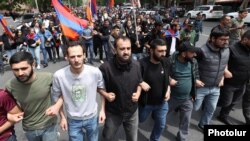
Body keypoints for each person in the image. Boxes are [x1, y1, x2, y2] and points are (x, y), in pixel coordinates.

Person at [50, 41, 105, 141]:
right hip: (73, 120)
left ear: (84, 55)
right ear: (66, 57)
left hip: (92, 117)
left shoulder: (95, 72)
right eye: (72, 57)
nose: (76, 60)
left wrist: (102, 110)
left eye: (79, 56)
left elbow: (102, 90)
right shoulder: (59, 75)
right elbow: (56, 97)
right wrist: (62, 117)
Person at [5, 51, 61, 141]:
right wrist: (10, 116)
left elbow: (63, 92)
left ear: (33, 65)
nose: (20, 73)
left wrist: (57, 106)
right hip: (29, 129)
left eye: (24, 68)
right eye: (15, 70)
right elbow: (8, 107)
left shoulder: (48, 78)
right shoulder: (10, 86)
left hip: (49, 125)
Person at [98, 36, 143, 141]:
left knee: (132, 139)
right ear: (115, 49)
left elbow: (140, 82)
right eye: (122, 49)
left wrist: (138, 93)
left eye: (128, 48)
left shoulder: (137, 65)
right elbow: (97, 87)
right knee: (108, 137)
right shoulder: (105, 68)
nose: (126, 52)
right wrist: (106, 95)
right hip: (113, 112)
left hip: (132, 111)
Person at [194, 29, 230, 131]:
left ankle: (203, 124)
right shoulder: (201, 51)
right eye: (222, 39)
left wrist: (222, 77)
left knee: (211, 109)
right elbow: (192, 67)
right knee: (194, 108)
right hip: (201, 87)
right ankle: (180, 106)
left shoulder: (227, 50)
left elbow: (224, 64)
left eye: (227, 39)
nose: (226, 42)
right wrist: (196, 80)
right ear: (213, 39)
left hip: (216, 87)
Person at [139, 39, 170, 141]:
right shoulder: (142, 64)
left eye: (165, 51)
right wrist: (141, 82)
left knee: (161, 125)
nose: (163, 54)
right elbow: (134, 78)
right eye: (160, 51)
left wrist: (168, 89)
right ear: (151, 50)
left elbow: (167, 77)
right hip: (146, 103)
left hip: (162, 103)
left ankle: (154, 139)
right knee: (140, 119)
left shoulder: (165, 61)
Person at [169, 41, 201, 141]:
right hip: (171, 98)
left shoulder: (193, 62)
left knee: (186, 120)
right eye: (192, 52)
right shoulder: (171, 62)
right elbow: (163, 75)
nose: (194, 54)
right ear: (183, 54)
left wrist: (196, 80)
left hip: (187, 98)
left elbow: (196, 74)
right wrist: (169, 80)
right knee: (160, 117)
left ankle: (182, 137)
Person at [217, 30, 250, 125]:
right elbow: (221, 62)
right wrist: (225, 71)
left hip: (243, 83)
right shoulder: (231, 49)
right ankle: (207, 103)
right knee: (226, 102)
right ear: (245, 39)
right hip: (230, 83)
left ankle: (223, 115)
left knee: (234, 102)